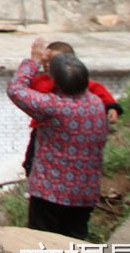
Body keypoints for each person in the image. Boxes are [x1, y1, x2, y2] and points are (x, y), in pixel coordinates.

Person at [8, 39, 110, 240]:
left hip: (50, 193)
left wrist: (33, 61)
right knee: (75, 244)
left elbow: (16, 90)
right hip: (84, 192)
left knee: (42, 246)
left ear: (55, 81)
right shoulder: (96, 104)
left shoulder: (54, 107)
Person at [22, 40, 122, 173]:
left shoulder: (80, 84)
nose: (49, 66)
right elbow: (21, 88)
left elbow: (100, 92)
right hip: (42, 131)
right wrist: (35, 62)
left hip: (69, 130)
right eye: (47, 62)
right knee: (32, 162)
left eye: (54, 62)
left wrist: (112, 108)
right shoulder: (40, 81)